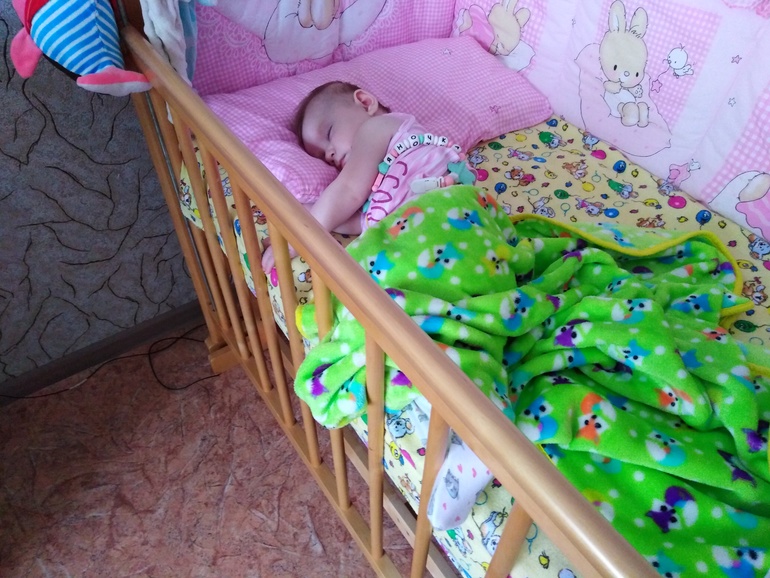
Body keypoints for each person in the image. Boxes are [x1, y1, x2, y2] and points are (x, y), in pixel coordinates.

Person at [260, 81, 476, 272]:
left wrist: (300, 236)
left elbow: (348, 190)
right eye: (322, 156)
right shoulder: (378, 187)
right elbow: (359, 221)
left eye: (329, 133)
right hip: (442, 245)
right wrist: (304, 210)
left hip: (448, 217)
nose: (329, 154)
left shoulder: (378, 127)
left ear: (365, 103)